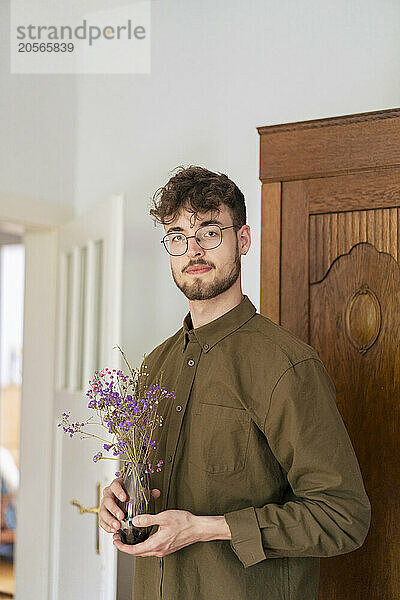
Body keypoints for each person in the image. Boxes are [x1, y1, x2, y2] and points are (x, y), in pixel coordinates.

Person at [99, 165, 371, 600]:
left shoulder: (287, 365)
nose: (193, 250)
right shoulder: (153, 367)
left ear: (242, 240)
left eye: (210, 232)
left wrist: (203, 528)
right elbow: (147, 482)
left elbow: (342, 517)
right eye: (177, 237)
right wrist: (120, 499)